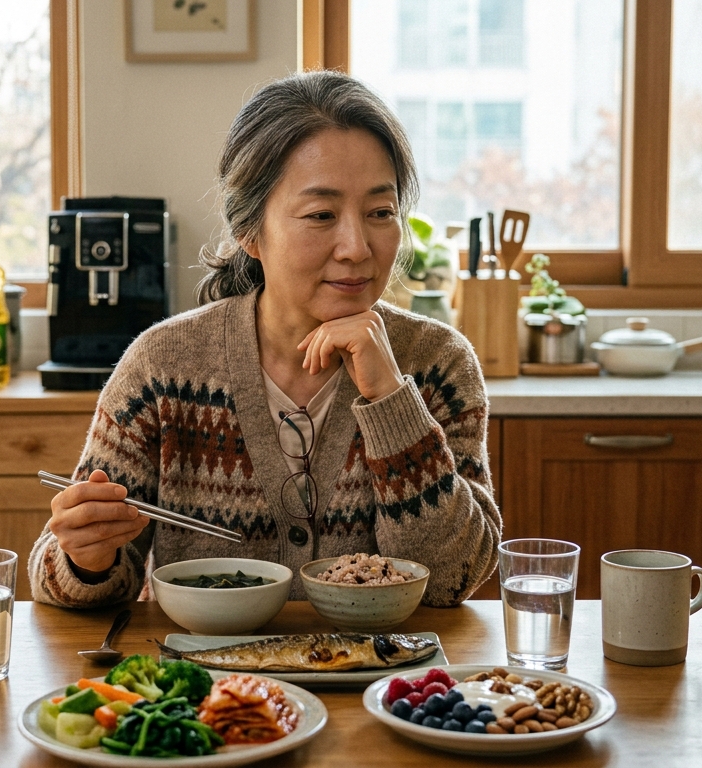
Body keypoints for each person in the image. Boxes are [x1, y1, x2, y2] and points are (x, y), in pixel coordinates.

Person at [28, 70, 500, 609]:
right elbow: (61, 577)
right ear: (250, 233)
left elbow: (452, 579)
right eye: (321, 215)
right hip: (214, 689)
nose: (356, 246)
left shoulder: (438, 363)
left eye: (381, 212)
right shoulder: (162, 367)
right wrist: (87, 557)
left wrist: (391, 401)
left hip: (382, 686)